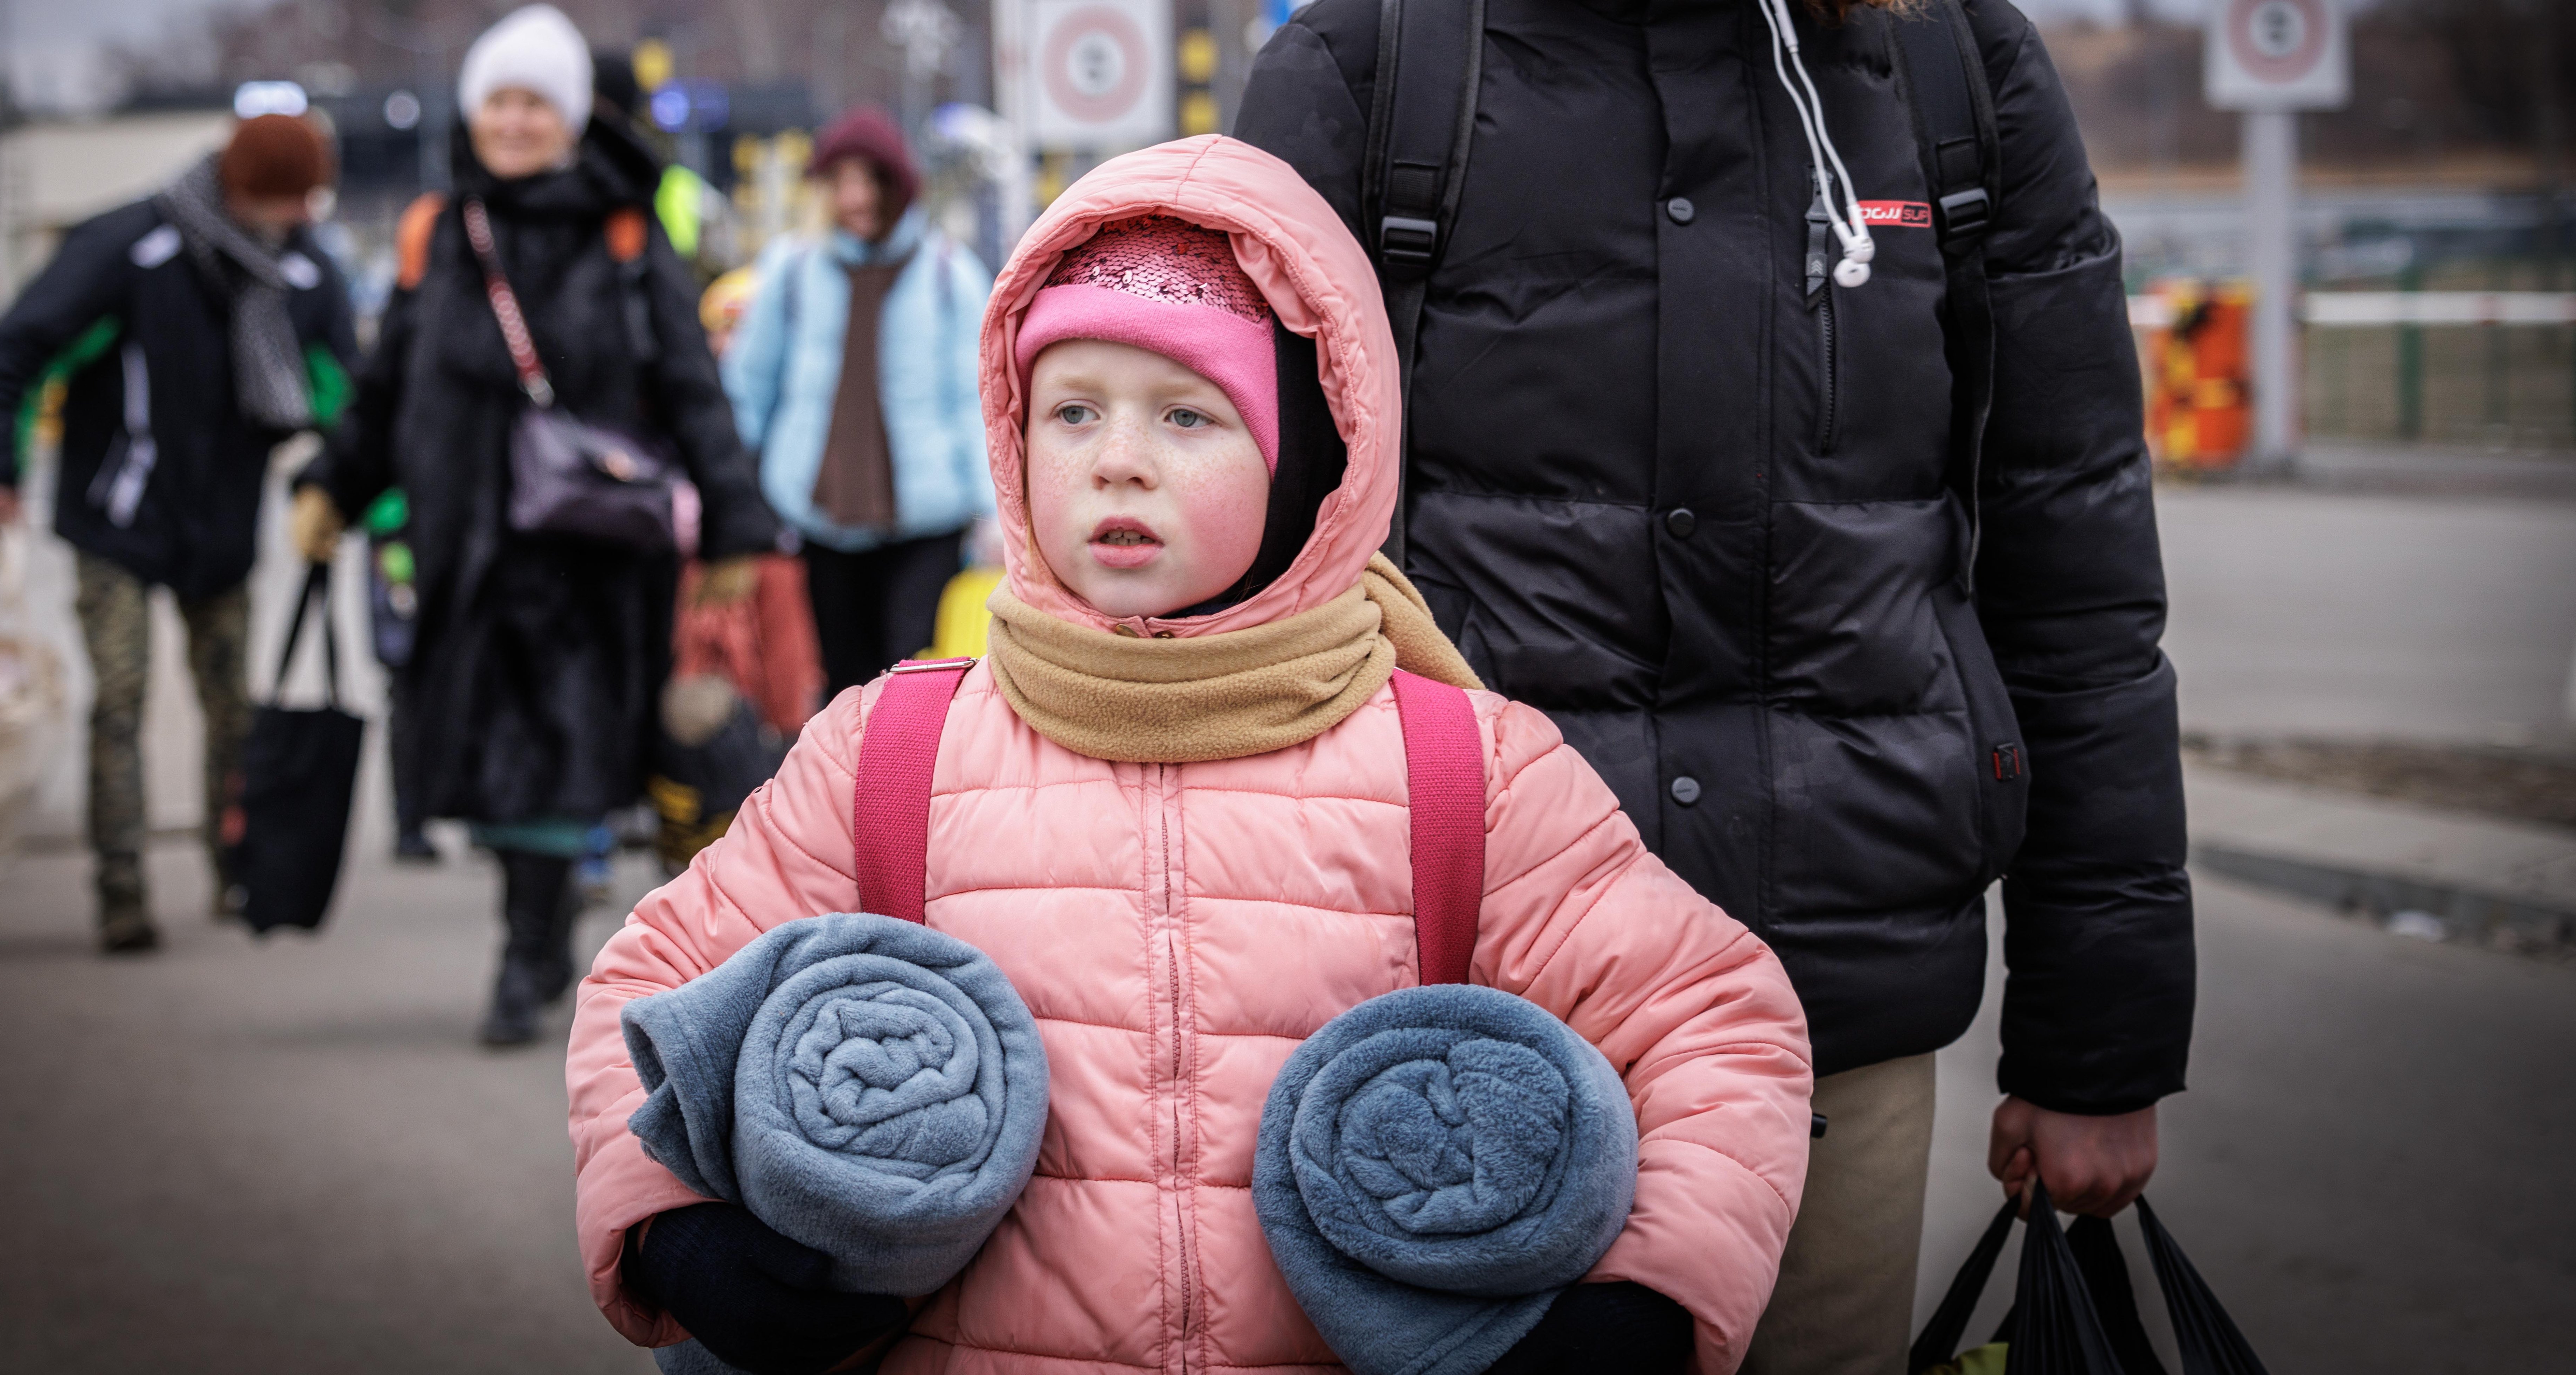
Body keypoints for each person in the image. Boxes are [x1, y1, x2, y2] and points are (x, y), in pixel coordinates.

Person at [1230, 0, 2193, 1368]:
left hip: (1828, 998)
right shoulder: (1374, 80)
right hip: (1445, 996)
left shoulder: (1958, 85)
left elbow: (2080, 586)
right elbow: (1236, 583)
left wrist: (2101, 1038)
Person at [567, 137, 1814, 1375]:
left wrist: (1643, 1304)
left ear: (1311, 461)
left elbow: (1717, 1028)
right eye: (1072, 409)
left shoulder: (1464, 767)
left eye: (1186, 412)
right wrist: (680, 1235)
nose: (1118, 454)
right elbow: (652, 985)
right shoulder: (891, 750)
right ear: (1012, 438)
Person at [289, 4, 778, 1047]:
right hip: (464, 544)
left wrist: (737, 524)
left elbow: (694, 391)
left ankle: (531, 947)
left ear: (568, 117)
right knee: (488, 752)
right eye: (498, 103)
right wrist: (334, 484)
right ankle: (541, 923)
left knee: (555, 751)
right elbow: (386, 385)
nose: (514, 124)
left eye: (534, 105)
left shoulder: (626, 228)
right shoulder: (442, 230)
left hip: (590, 555)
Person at [0, 111, 356, 954]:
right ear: (240, 185)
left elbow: (350, 392)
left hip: (222, 526)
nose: (298, 217)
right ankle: (121, 892)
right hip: (118, 520)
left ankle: (234, 873)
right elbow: (14, 352)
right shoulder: (127, 247)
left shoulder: (300, 266)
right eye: (285, 200)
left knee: (231, 713)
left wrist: (364, 501)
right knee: (121, 700)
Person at [725, 107, 992, 695]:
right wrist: (732, 497)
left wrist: (994, 513)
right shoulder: (792, 272)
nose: (856, 199)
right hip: (817, 520)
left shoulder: (950, 276)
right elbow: (750, 388)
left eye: (871, 181)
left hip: (927, 519)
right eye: (840, 182)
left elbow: (976, 401)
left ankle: (906, 786)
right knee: (841, 684)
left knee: (916, 678)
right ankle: (853, 788)